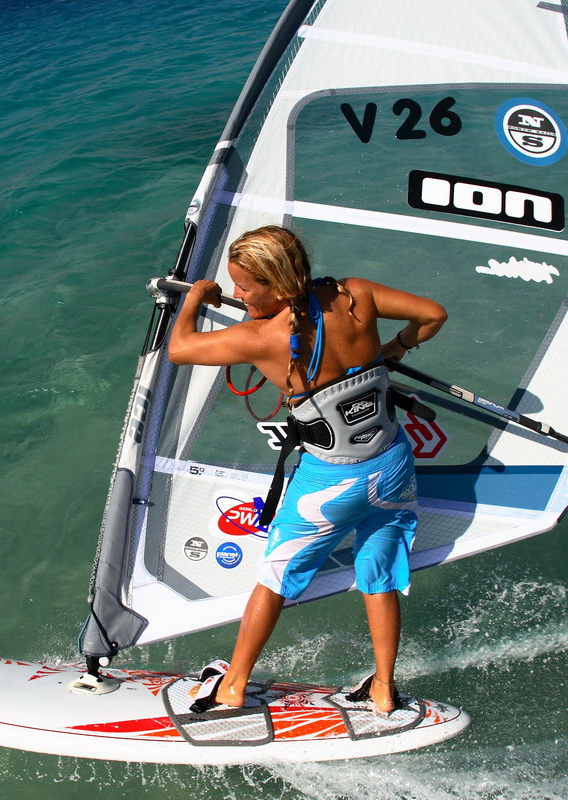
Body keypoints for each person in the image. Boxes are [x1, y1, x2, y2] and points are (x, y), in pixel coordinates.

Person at [167, 225, 446, 715]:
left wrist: (196, 297)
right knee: (378, 573)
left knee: (274, 575)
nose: (236, 294)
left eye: (245, 287)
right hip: (393, 465)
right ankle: (382, 687)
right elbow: (432, 315)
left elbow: (181, 349)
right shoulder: (356, 295)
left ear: (277, 285)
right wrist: (395, 350)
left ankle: (232, 686)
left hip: (331, 481)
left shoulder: (262, 337)